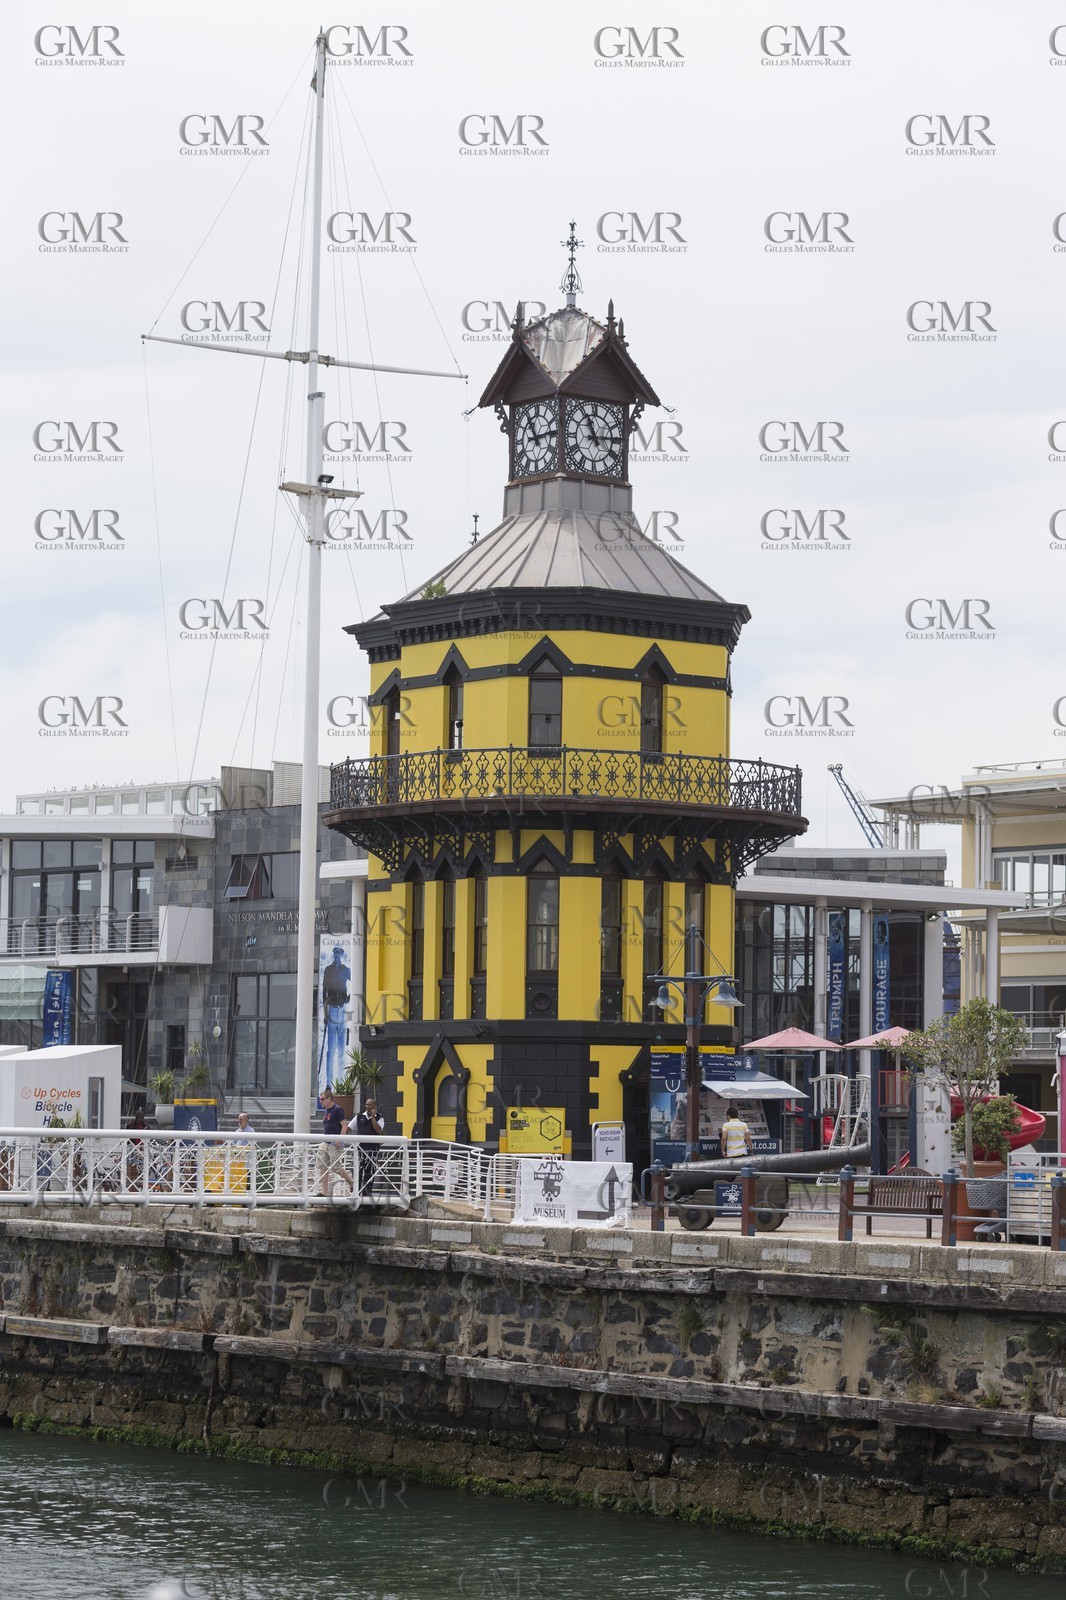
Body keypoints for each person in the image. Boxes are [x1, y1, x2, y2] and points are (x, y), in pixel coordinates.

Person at [319, 944, 351, 1090]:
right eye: (335, 954)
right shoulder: (328, 970)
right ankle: (329, 1085)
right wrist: (325, 1014)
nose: (337, 956)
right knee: (331, 1050)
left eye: (339, 954)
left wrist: (350, 997)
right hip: (332, 1010)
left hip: (343, 1010)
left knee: (341, 1050)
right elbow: (324, 993)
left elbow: (355, 983)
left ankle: (342, 1083)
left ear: (342, 955)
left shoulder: (346, 970)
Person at [315, 1090, 353, 1198]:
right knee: (322, 1166)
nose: (321, 1102)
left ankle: (350, 1181)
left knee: (335, 1167)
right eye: (320, 1099)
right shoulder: (326, 1110)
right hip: (325, 1141)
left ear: (329, 1099)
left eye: (322, 1099)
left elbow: (344, 1125)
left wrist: (339, 1140)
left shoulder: (337, 1109)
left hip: (334, 1142)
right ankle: (324, 1191)